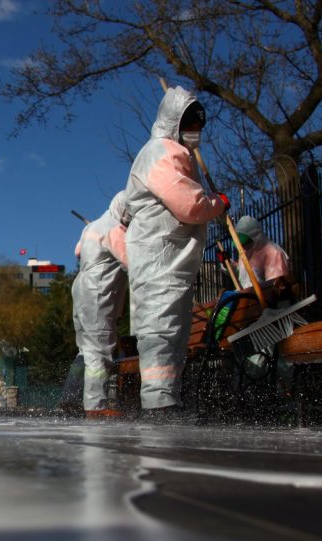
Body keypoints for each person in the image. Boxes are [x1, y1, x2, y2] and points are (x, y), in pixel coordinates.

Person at [124, 86, 230, 419]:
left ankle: (167, 399)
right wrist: (217, 203)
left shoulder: (172, 153)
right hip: (160, 261)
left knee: (173, 330)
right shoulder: (161, 153)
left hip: (169, 262)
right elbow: (188, 204)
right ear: (175, 121)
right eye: (191, 124)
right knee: (161, 329)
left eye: (199, 125)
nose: (196, 132)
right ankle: (159, 405)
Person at [71, 191, 129, 418]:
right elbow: (130, 263)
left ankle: (70, 398)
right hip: (98, 291)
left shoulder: (91, 226)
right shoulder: (116, 230)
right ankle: (95, 407)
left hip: (82, 288)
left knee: (85, 348)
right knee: (99, 348)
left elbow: (77, 252)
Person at [234, 215, 290, 284]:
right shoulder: (244, 251)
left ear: (256, 236)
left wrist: (252, 290)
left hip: (262, 294)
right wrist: (228, 265)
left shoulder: (273, 254)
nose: (243, 246)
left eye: (246, 242)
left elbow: (275, 286)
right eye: (240, 244)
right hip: (246, 294)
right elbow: (242, 272)